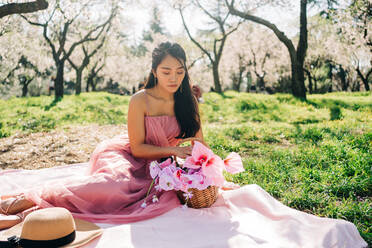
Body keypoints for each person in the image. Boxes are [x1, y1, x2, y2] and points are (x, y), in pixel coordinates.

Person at [0, 42, 202, 228]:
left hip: (162, 167)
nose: (174, 78)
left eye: (179, 71)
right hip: (130, 155)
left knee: (131, 195)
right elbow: (138, 148)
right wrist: (173, 149)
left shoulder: (188, 101)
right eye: (166, 72)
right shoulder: (140, 100)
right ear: (154, 71)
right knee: (114, 188)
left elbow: (200, 144)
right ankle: (26, 200)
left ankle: (32, 213)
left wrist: (202, 169)